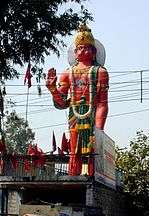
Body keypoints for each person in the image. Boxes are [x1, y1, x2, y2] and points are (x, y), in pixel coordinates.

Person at [46, 24, 109, 176]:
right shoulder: (68, 73)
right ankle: (74, 177)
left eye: (87, 47)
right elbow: (61, 104)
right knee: (75, 151)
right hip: (74, 116)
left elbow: (102, 104)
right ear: (75, 52)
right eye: (80, 47)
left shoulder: (100, 72)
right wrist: (53, 89)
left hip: (92, 114)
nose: (83, 50)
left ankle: (94, 177)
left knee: (94, 151)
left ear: (94, 52)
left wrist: (99, 129)